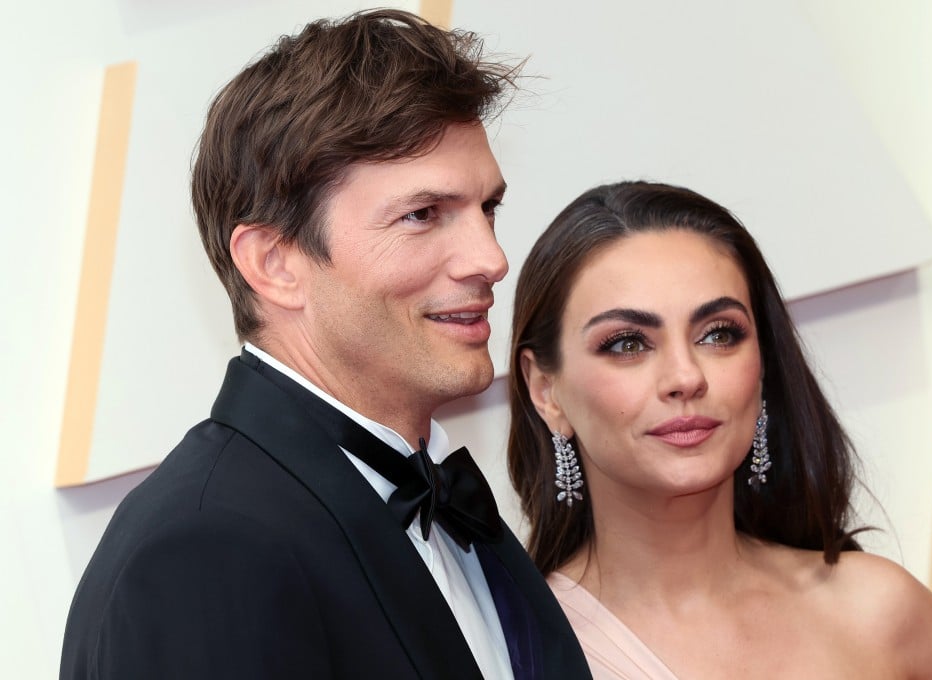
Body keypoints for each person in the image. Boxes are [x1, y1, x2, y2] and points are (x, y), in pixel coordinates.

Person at [59, 10, 590, 679]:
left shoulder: (438, 491)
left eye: (487, 210)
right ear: (275, 263)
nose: (490, 258)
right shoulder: (204, 551)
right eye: (422, 215)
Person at [508, 181, 932, 678]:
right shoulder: (514, 656)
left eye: (719, 334)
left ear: (762, 366)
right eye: (628, 344)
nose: (686, 377)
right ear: (546, 389)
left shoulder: (878, 612)